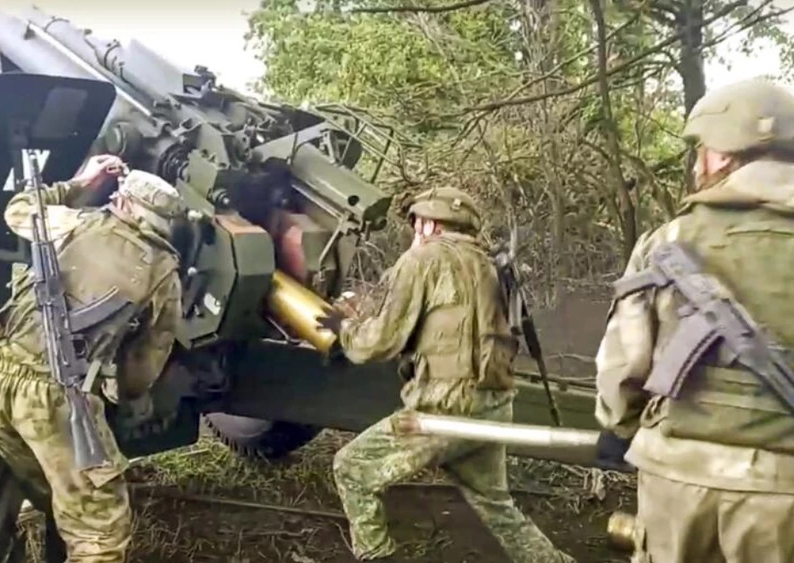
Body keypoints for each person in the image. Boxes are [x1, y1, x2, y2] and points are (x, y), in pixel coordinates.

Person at [316, 186, 574, 563]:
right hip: (493, 404)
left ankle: (378, 555)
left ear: (429, 222)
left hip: (445, 412)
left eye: (417, 223)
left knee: (352, 468)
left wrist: (345, 328)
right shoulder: (488, 263)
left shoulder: (424, 259)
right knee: (497, 505)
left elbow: (379, 342)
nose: (414, 231)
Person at [594, 77, 794, 563]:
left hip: (677, 474)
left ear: (723, 155)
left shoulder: (668, 241)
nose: (698, 162)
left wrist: (615, 427)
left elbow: (625, 358)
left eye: (702, 149)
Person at [0, 155, 187, 562]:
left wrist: (77, 182)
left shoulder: (74, 222)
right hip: (55, 397)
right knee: (101, 530)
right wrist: (119, 397)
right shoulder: (163, 272)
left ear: (122, 202)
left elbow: (18, 209)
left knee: (53, 488)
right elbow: (146, 359)